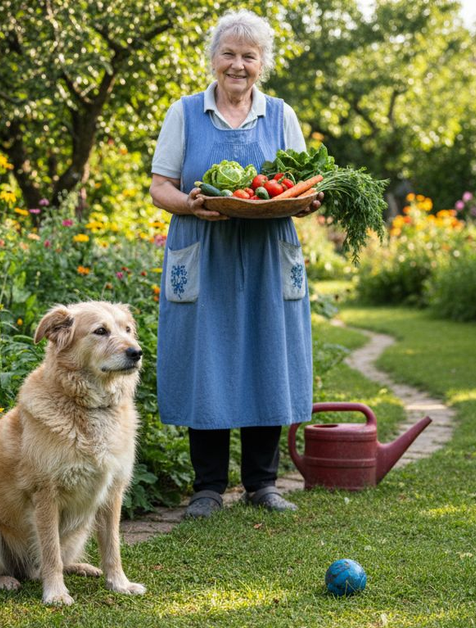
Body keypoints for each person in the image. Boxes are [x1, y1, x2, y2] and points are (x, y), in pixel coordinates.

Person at [149, 9, 321, 519]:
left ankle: (262, 484)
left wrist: (305, 202)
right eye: (229, 53)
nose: (238, 65)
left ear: (262, 63)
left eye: (249, 56)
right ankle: (206, 487)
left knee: (268, 353)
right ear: (213, 59)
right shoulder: (184, 113)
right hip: (205, 251)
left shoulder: (281, 114)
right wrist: (191, 205)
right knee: (209, 359)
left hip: (268, 252)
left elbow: (300, 185)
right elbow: (161, 187)